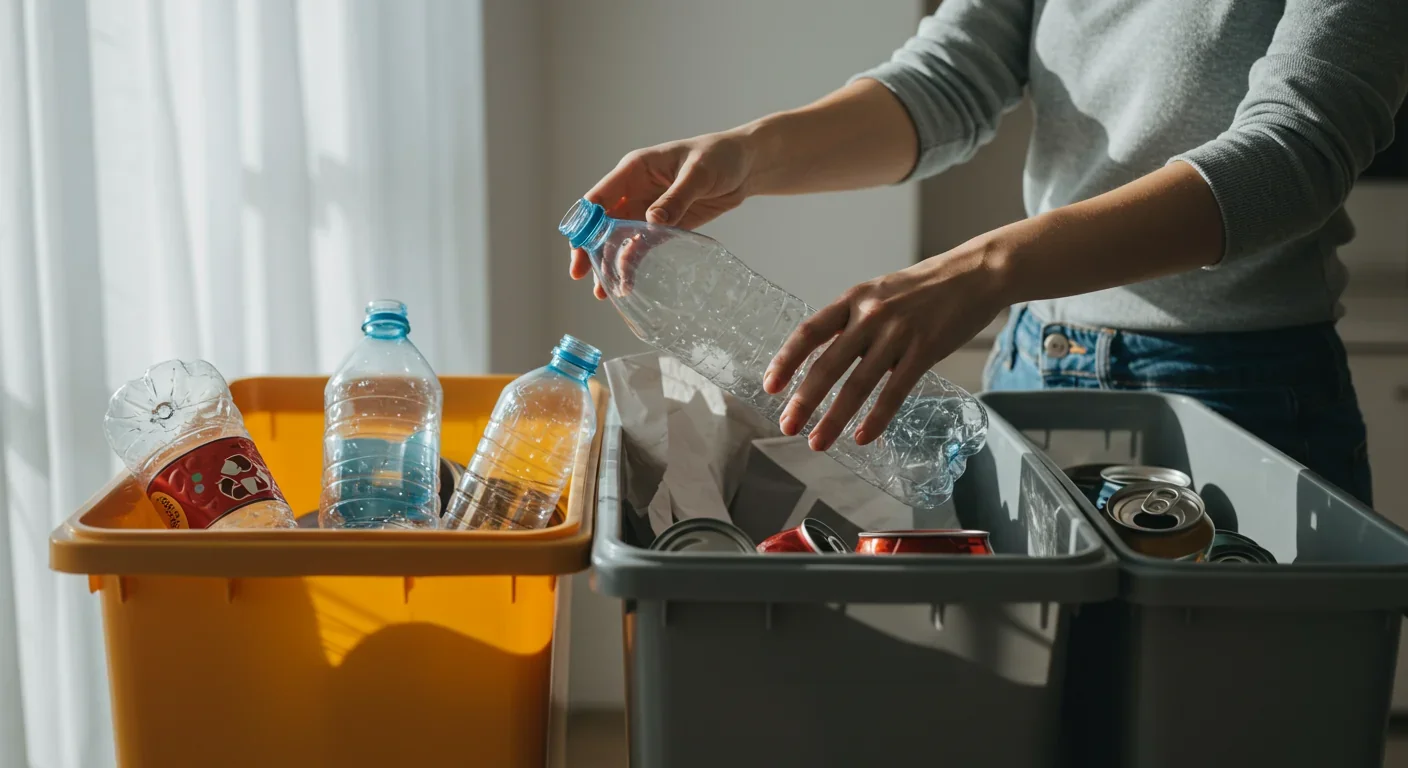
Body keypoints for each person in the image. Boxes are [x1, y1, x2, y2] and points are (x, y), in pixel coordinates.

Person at [568, 0, 1407, 505]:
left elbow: (1300, 151)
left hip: (1245, 394)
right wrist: (750, 153)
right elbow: (951, 76)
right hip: (1038, 365)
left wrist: (984, 267)